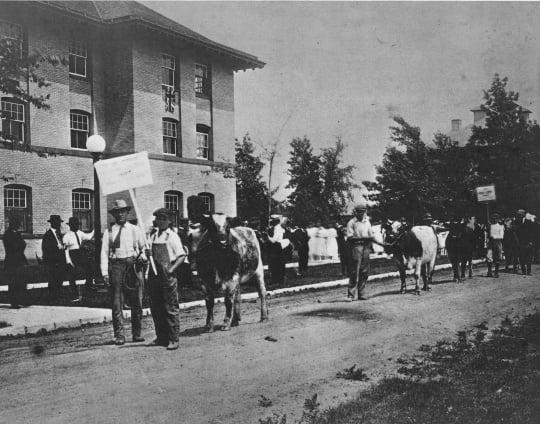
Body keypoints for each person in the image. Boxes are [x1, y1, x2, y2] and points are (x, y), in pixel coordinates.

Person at [100, 199, 147, 345]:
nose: (120, 214)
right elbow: (104, 253)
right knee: (116, 302)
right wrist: (104, 273)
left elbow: (143, 248)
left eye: (123, 211)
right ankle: (119, 335)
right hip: (116, 266)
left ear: (127, 213)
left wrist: (143, 257)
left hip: (133, 266)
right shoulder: (109, 232)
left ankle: (137, 333)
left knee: (137, 301)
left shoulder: (135, 230)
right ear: (114, 215)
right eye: (117, 212)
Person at [145, 208, 186, 350]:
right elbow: (148, 256)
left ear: (169, 221)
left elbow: (181, 256)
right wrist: (147, 253)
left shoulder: (172, 236)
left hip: (167, 276)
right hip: (154, 276)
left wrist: (171, 269)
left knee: (170, 307)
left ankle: (173, 338)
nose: (161, 221)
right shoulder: (153, 236)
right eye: (158, 219)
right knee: (156, 308)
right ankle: (161, 337)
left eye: (164, 219)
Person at [345, 201, 381, 301]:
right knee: (354, 270)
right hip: (356, 247)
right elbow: (349, 238)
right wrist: (363, 238)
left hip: (366, 247)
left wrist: (381, 244)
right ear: (355, 212)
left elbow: (371, 236)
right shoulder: (352, 222)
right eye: (359, 211)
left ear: (365, 212)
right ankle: (351, 294)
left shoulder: (367, 222)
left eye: (363, 211)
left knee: (364, 270)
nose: (361, 213)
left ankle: (361, 293)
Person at [63, 217, 94, 302]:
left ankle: (88, 290)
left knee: (89, 271)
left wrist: (95, 229)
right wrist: (69, 261)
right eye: (73, 225)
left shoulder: (80, 233)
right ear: (70, 226)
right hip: (72, 255)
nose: (76, 226)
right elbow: (66, 250)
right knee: (72, 276)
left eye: (77, 225)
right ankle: (74, 295)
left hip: (80, 254)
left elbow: (88, 237)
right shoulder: (67, 236)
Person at [2, 216, 28, 308]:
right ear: (13, 224)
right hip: (12, 261)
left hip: (19, 260)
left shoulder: (16, 234)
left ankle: (22, 300)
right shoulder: (8, 234)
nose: (18, 225)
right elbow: (14, 247)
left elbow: (22, 245)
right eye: (17, 223)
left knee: (21, 281)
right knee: (13, 283)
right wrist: (20, 246)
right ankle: (14, 302)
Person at [41, 215, 66, 302]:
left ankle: (58, 295)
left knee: (60, 278)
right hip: (52, 261)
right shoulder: (48, 235)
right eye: (57, 223)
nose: (59, 224)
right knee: (53, 279)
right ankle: (52, 297)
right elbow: (46, 249)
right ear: (52, 223)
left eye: (59, 223)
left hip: (60, 260)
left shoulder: (59, 234)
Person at [267, 216, 291, 286]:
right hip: (277, 247)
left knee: (276, 264)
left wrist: (267, 236)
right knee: (277, 264)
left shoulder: (277, 229)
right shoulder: (277, 228)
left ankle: (277, 281)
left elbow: (273, 240)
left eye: (272, 221)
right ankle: (278, 280)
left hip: (277, 247)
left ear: (275, 221)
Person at [514, 209, 535, 276]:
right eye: (518, 214)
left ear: (524, 214)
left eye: (520, 214)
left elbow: (532, 232)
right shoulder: (515, 221)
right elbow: (514, 232)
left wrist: (531, 241)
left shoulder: (529, 222)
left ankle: (528, 271)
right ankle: (523, 271)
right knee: (521, 257)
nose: (519, 215)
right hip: (519, 242)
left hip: (528, 241)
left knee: (529, 257)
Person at [486, 213, 504, 278]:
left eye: (495, 218)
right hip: (490, 243)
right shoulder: (490, 226)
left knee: (497, 258)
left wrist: (493, 236)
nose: (494, 220)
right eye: (493, 218)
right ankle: (489, 272)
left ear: (498, 219)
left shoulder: (500, 226)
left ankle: (496, 272)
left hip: (497, 243)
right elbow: (487, 235)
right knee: (489, 257)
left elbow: (501, 236)